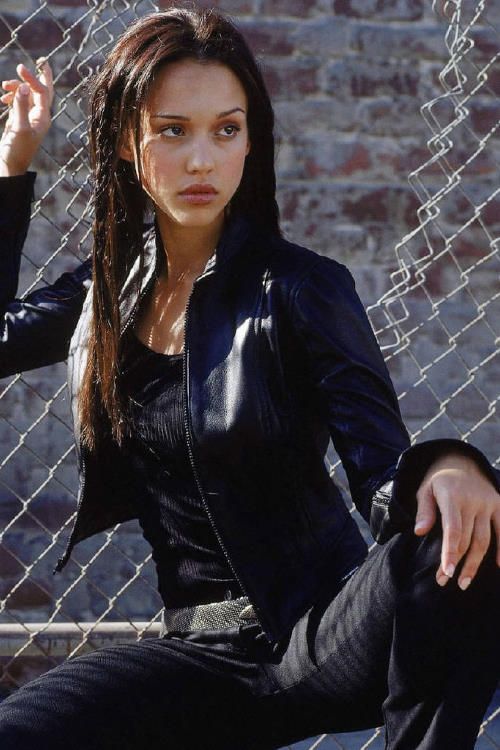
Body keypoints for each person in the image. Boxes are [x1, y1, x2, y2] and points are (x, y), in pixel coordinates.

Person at [0, 8, 498, 749]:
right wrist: (11, 171)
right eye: (174, 130)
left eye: (226, 130)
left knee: (458, 533)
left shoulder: (300, 288)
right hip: (199, 656)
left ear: (249, 142)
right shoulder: (105, 293)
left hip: (321, 639)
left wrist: (451, 466)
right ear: (128, 145)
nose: (203, 158)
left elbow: (382, 471)